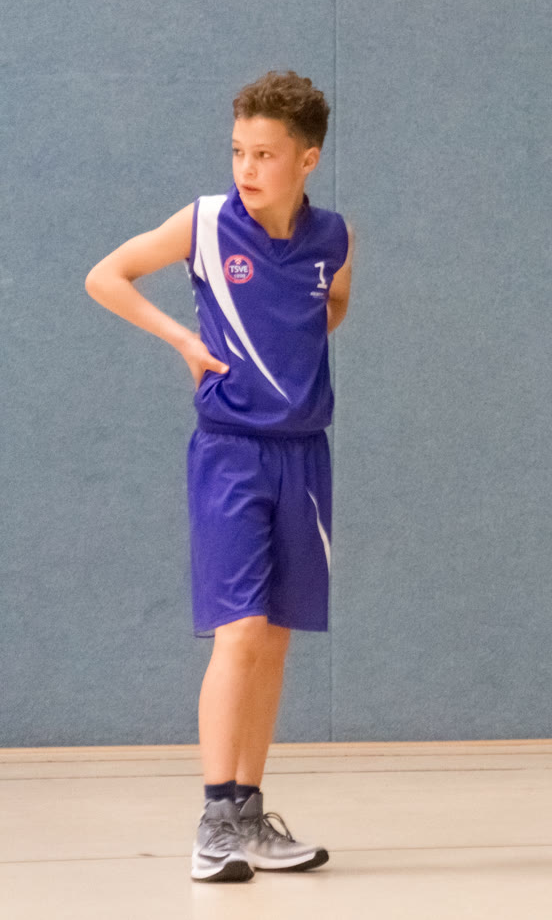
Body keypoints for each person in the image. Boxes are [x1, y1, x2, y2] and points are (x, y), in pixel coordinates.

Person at [86, 72, 352, 884]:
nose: (247, 166)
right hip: (231, 452)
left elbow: (334, 303)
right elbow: (107, 275)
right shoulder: (205, 223)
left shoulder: (334, 237)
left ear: (307, 159)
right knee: (238, 631)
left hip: (304, 455)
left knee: (274, 638)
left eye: (265, 154)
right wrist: (183, 340)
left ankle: (249, 813)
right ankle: (213, 822)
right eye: (238, 150)